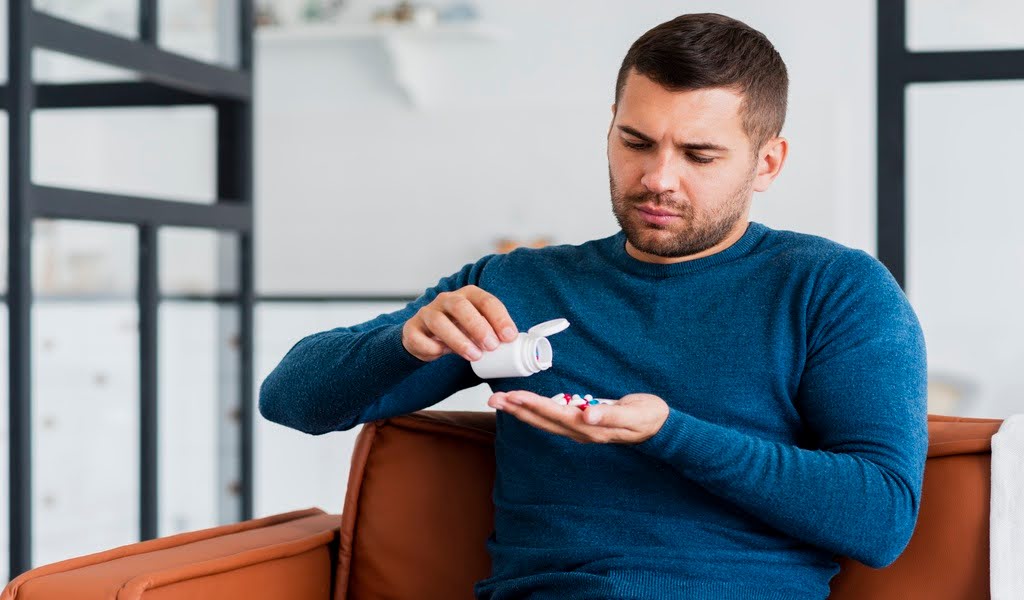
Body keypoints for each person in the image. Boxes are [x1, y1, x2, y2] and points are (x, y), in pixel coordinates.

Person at [259, 12, 928, 600]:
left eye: (699, 154)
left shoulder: (834, 289)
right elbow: (289, 399)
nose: (657, 179)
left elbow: (881, 520)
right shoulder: (522, 284)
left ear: (767, 164)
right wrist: (404, 340)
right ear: (609, 130)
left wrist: (669, 433)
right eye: (636, 142)